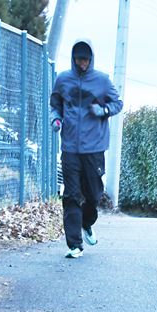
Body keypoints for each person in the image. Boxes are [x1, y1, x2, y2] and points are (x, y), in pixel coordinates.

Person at [49, 39, 123, 259]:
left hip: (94, 147)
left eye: (86, 59)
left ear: (91, 59)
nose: (82, 63)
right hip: (70, 146)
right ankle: (74, 244)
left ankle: (86, 222)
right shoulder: (63, 79)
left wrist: (103, 110)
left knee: (93, 194)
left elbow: (117, 103)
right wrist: (56, 120)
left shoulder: (102, 80)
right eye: (79, 59)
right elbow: (55, 105)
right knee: (71, 194)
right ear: (73, 58)